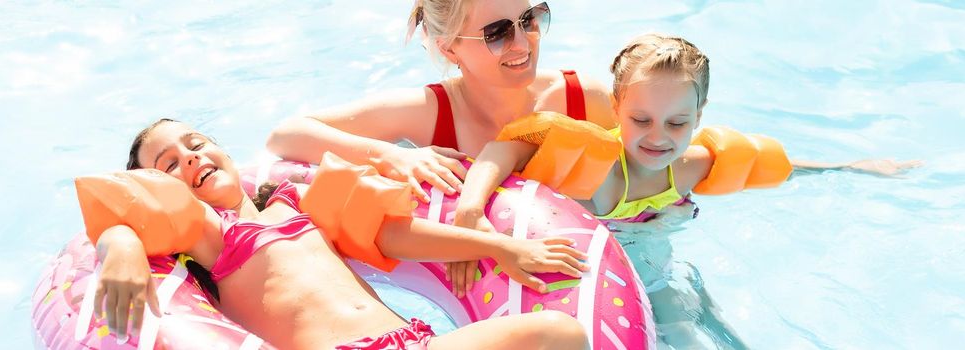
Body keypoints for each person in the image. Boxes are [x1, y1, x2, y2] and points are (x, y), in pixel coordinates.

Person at [449, 33, 921, 349]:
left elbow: (775, 166)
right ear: (616, 108)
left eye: (677, 123)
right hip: (588, 285)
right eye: (640, 120)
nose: (659, 137)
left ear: (700, 115)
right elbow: (505, 149)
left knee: (710, 331)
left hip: (657, 277)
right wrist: (470, 210)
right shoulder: (601, 169)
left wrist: (853, 166)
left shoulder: (689, 167)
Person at [93, 118, 592, 349]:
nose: (192, 159)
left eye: (196, 144)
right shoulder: (208, 234)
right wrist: (121, 248)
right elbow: (124, 214)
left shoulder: (294, 202)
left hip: (412, 342)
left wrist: (501, 245)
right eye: (170, 164)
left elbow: (395, 236)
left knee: (560, 334)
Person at [266, 0, 618, 203]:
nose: (523, 44)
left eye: (529, 20)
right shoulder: (433, 113)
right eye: (496, 33)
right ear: (449, 48)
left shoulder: (582, 100)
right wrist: (394, 155)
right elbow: (286, 135)